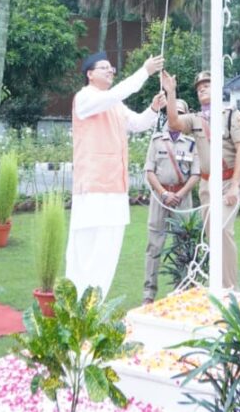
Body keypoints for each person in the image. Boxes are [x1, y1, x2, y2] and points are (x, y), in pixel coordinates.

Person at [65, 50, 165, 300]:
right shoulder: (85, 97)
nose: (110, 71)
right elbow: (116, 94)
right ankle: (75, 303)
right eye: (104, 68)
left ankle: (94, 306)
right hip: (93, 187)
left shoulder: (114, 104)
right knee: (85, 250)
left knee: (108, 251)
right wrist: (145, 71)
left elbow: (139, 123)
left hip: (115, 188)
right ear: (89, 74)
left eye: (112, 68)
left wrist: (153, 108)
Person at [162, 69, 240, 289]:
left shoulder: (230, 115)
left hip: (229, 181)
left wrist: (235, 186)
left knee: (222, 230)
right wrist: (170, 92)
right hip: (208, 184)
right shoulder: (197, 119)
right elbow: (173, 122)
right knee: (211, 234)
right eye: (199, 88)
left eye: (207, 85)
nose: (202, 89)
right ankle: (217, 285)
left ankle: (230, 289)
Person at [142, 97, 201, 303]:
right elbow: (149, 171)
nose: (175, 115)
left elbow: (196, 174)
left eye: (181, 112)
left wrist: (180, 194)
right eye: (172, 111)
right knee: (154, 246)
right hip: (160, 198)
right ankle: (149, 294)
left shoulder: (192, 143)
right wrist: (164, 193)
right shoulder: (157, 140)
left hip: (182, 200)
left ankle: (181, 289)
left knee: (183, 244)